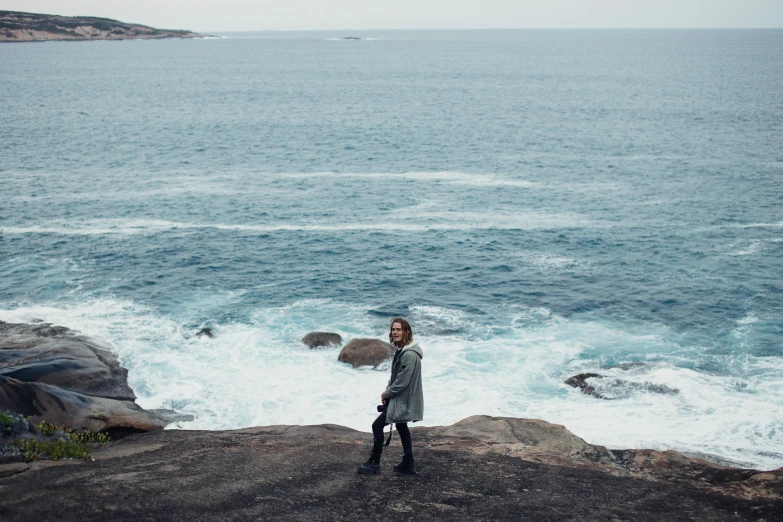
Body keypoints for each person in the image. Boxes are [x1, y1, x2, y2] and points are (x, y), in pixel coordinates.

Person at [357, 317, 424, 475]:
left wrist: (387, 393)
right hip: (400, 398)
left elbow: (402, 381)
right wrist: (388, 392)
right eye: (393, 329)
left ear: (406, 332)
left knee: (377, 426)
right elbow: (396, 376)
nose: (395, 332)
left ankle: (375, 462)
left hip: (403, 400)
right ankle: (408, 463)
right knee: (401, 425)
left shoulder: (409, 355)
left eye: (398, 329)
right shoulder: (402, 351)